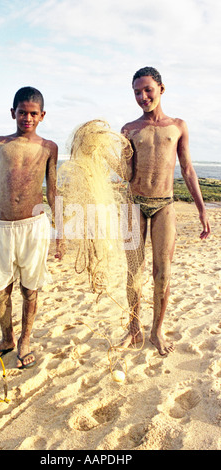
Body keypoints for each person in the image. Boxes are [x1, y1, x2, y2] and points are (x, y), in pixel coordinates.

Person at [120, 66, 210, 355]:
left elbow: (187, 170)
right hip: (134, 204)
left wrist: (202, 210)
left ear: (161, 89)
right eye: (137, 92)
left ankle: (156, 330)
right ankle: (134, 330)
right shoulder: (129, 130)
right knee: (134, 272)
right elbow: (125, 172)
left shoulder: (178, 126)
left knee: (163, 272)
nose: (143, 96)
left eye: (147, 90)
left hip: (164, 206)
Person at [0, 86, 64, 369]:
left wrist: (60, 233)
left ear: (42, 115)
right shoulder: (0, 143)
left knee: (30, 288)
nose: (27, 118)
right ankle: (7, 338)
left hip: (34, 226)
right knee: (1, 287)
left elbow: (53, 191)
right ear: (13, 112)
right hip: (4, 227)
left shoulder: (48, 147)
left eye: (33, 113)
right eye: (22, 112)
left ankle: (25, 339)